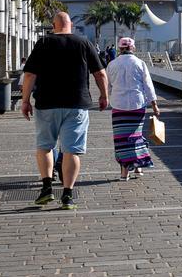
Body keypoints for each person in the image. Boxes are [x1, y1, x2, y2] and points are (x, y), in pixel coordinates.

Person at [21, 12, 108, 210]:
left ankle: (46, 188)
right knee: (72, 150)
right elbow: (100, 73)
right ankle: (67, 195)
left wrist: (25, 101)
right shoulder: (84, 43)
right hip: (76, 104)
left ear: (53, 25)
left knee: (44, 146)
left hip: (47, 104)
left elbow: (29, 75)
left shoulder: (43, 43)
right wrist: (104, 96)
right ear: (71, 26)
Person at [106, 37, 160, 179]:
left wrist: (107, 98)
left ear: (120, 48)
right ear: (133, 48)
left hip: (118, 106)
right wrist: (154, 105)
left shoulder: (112, 64)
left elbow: (109, 86)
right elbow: (148, 86)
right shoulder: (140, 63)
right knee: (136, 136)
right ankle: (138, 167)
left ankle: (124, 171)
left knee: (121, 138)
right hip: (137, 105)